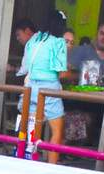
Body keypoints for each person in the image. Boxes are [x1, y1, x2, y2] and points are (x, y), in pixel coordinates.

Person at [12, 17, 67, 164]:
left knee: (32, 128)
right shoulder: (58, 42)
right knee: (57, 131)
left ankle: (28, 160)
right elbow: (62, 73)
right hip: (49, 89)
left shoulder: (33, 41)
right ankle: (51, 167)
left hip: (31, 87)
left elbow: (25, 68)